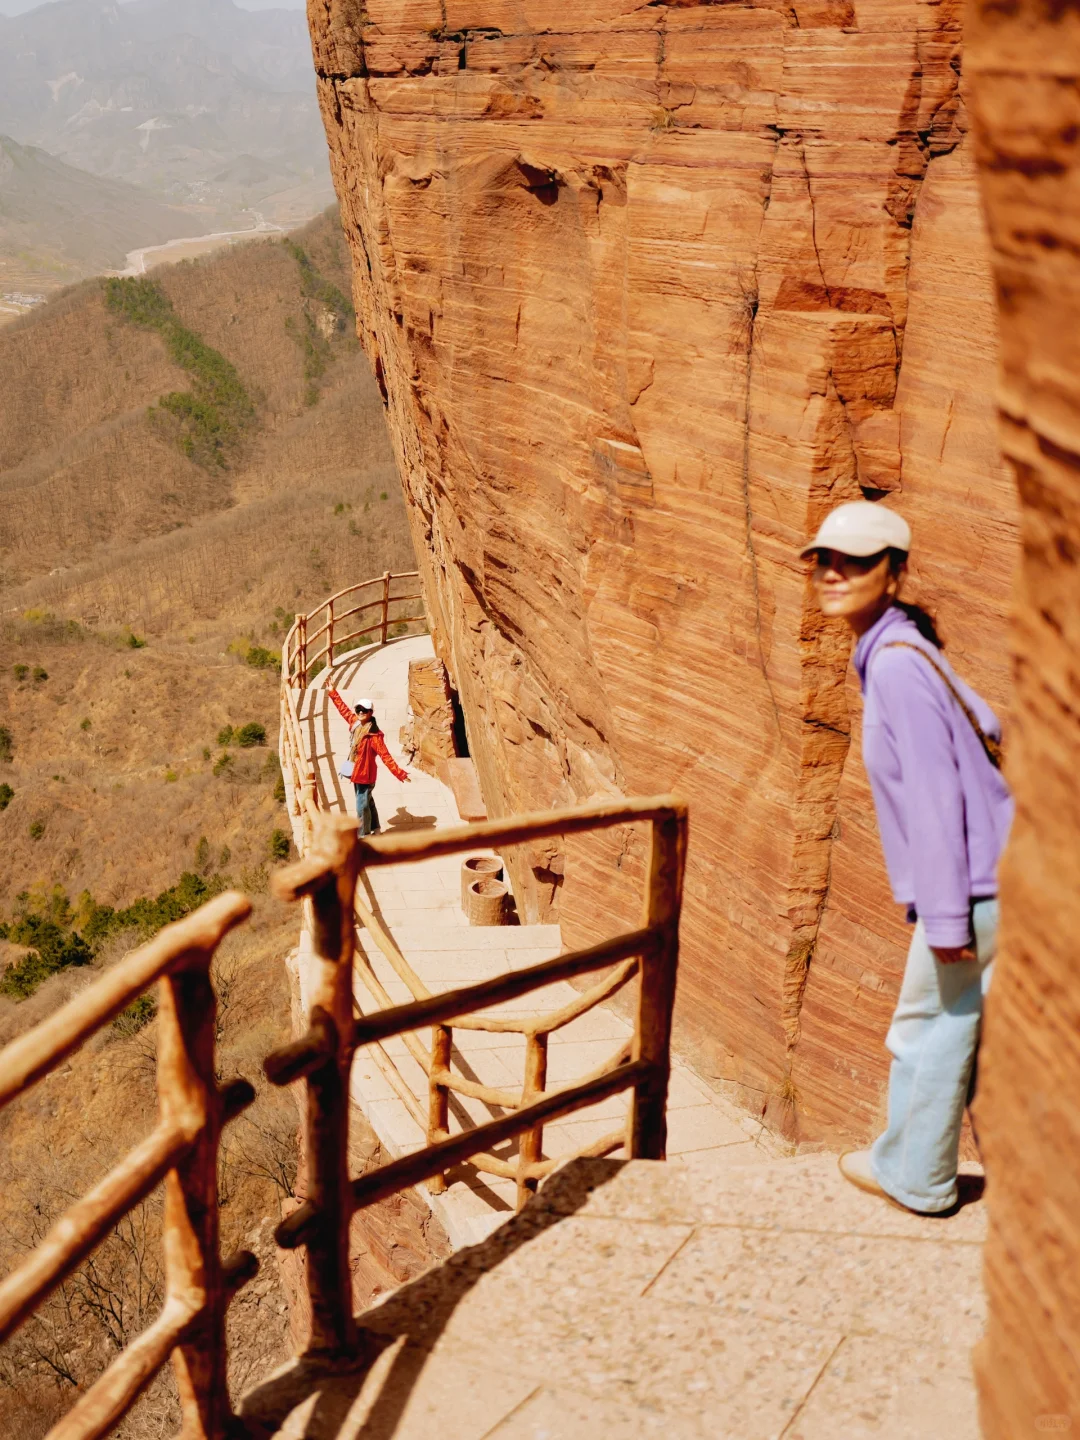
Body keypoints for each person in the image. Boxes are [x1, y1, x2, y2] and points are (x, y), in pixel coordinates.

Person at [801, 500, 1013, 1214]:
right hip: (998, 874)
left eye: (855, 561)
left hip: (974, 887)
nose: (834, 573)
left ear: (893, 573)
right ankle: (916, 1161)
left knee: (930, 1029)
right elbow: (987, 723)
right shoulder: (908, 647)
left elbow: (934, 797)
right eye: (824, 560)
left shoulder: (895, 665)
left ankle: (917, 1177)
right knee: (954, 1024)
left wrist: (945, 915)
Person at [327, 690, 410, 835]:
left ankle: (363, 835)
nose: (360, 712)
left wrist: (400, 773)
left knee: (361, 806)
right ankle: (375, 828)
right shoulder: (355, 723)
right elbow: (344, 710)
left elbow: (385, 756)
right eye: (358, 709)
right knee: (367, 801)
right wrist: (332, 692)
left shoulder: (374, 736)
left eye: (364, 710)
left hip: (365, 775)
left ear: (371, 712)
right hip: (356, 770)